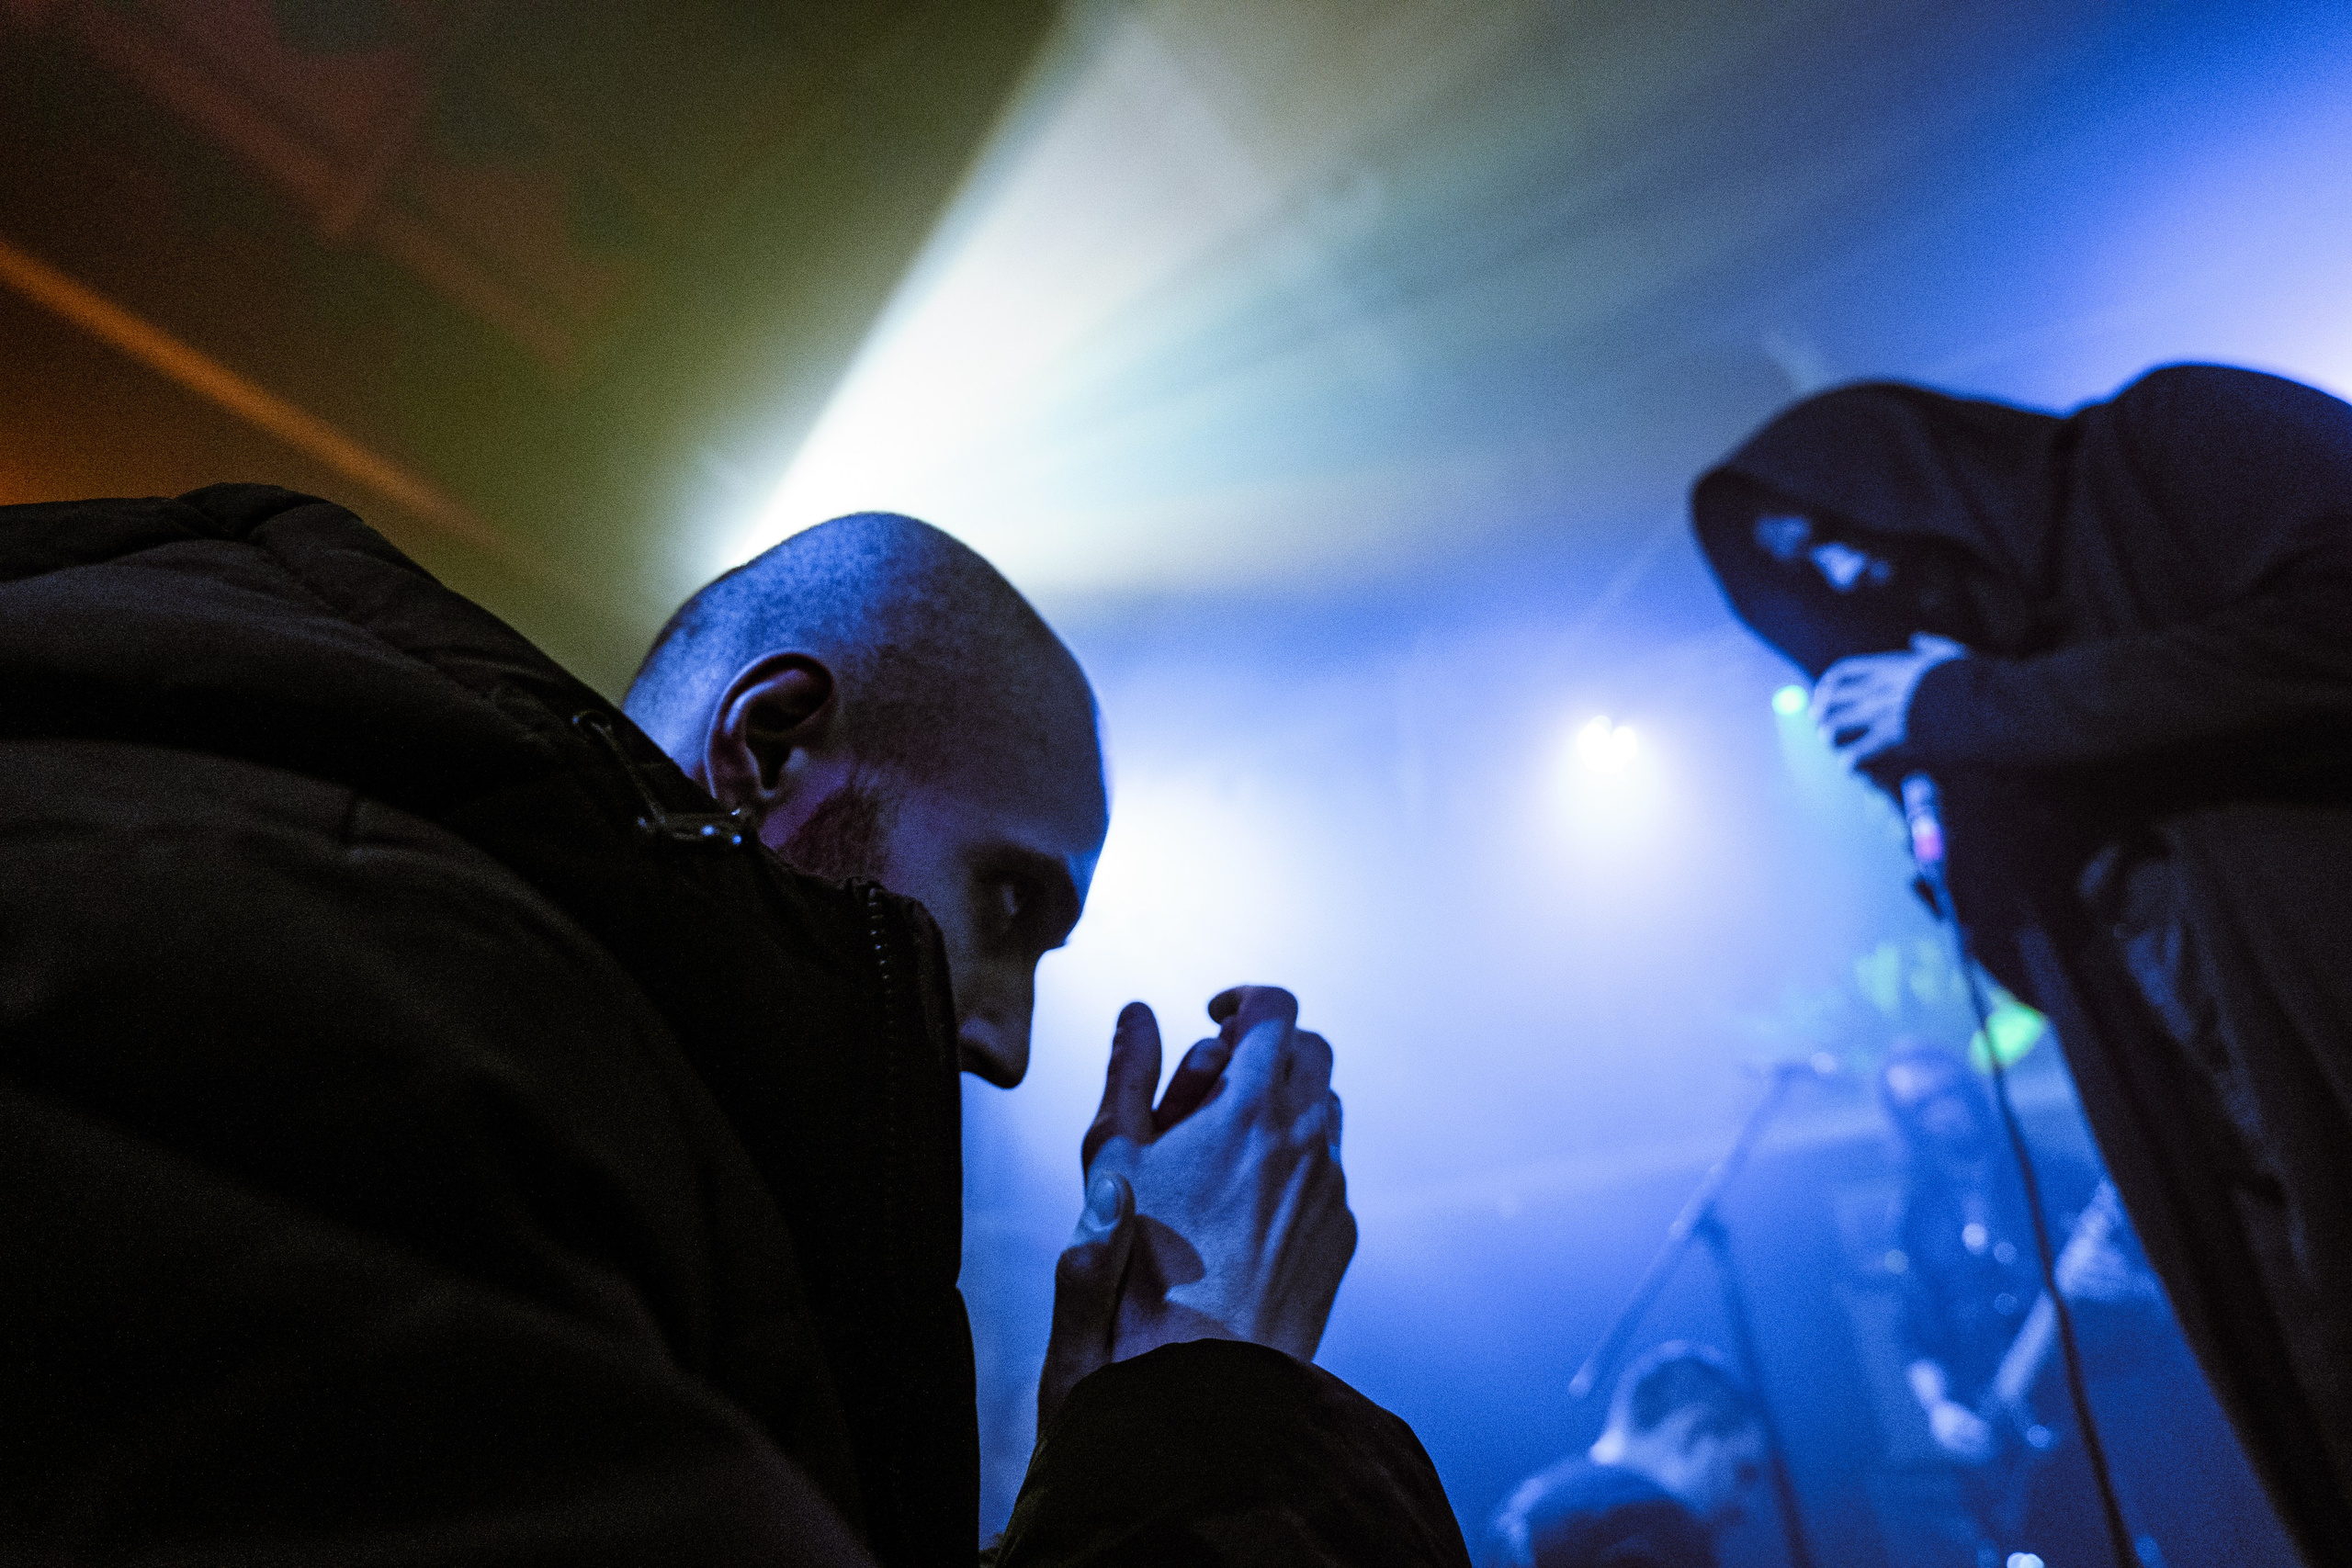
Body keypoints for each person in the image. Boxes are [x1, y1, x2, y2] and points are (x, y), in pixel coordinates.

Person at [0, 484, 1469, 1566]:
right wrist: (1217, 1395)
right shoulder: (335, 984)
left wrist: (1116, 1446)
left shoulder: (480, 1021)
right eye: (1010, 902)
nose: (1011, 1044)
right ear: (768, 749)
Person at [1690, 363, 2352, 1564]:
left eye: (1831, 526)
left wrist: (1976, 706)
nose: (1840, 575)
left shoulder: (2167, 442)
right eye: (1802, 564)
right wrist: (1959, 817)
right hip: (2265, 1169)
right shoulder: (1997, 694)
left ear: (1902, 464)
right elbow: (2064, 982)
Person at [1879, 1045, 2155, 1562]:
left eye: (1947, 1091)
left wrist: (2131, 1288)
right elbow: (1914, 1336)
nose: (1940, 1110)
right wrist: (1940, 1411)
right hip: (1999, 1443)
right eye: (1918, 1105)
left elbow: (2159, 1292)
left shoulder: (2056, 1176)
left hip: (2109, 1418)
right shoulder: (1915, 1217)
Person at [1487, 1344, 1764, 1568]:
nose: (1745, 1509)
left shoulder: (1520, 1509)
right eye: (1742, 1472)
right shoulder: (1659, 1524)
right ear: (1693, 1433)